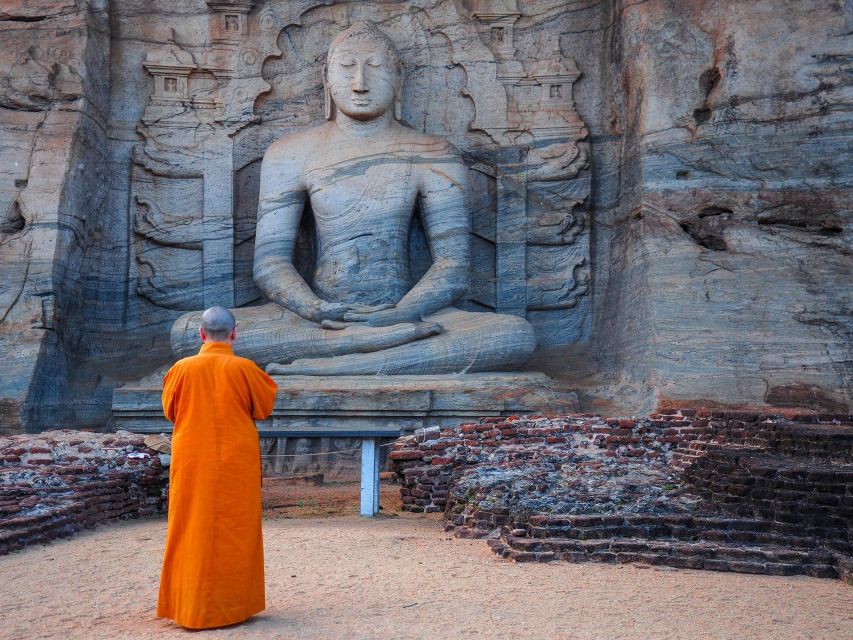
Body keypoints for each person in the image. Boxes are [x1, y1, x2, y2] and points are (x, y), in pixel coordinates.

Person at [170, 20, 536, 375]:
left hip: (410, 314)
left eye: (375, 68)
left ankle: (341, 362)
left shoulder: (433, 153)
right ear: (326, 80)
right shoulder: (290, 152)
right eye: (346, 68)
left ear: (399, 81)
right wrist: (313, 308)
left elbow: (453, 268)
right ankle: (368, 350)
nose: (360, 83)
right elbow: (270, 265)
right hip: (318, 321)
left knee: (513, 336)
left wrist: (400, 313)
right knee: (189, 333)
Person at [157, 306, 278, 629]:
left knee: (190, 525)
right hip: (235, 461)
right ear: (234, 334)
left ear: (200, 334)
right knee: (235, 529)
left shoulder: (181, 369)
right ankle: (233, 607)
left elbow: (171, 411)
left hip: (192, 456)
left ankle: (190, 606)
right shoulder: (245, 369)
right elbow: (264, 408)